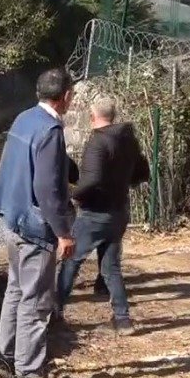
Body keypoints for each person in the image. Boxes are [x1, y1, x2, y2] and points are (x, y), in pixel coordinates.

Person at [0, 67, 76, 378]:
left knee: (16, 290)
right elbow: (48, 188)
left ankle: (5, 357)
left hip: (13, 218)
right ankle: (29, 373)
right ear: (65, 95)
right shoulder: (51, 130)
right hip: (35, 227)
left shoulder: (24, 118)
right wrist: (64, 232)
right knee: (36, 301)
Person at [56, 97, 149, 334]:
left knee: (71, 261)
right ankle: (123, 319)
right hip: (119, 212)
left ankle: (55, 312)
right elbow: (142, 172)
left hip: (95, 214)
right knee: (111, 268)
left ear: (92, 116)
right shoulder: (128, 140)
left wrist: (73, 196)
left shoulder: (98, 142)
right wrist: (120, 184)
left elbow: (92, 179)